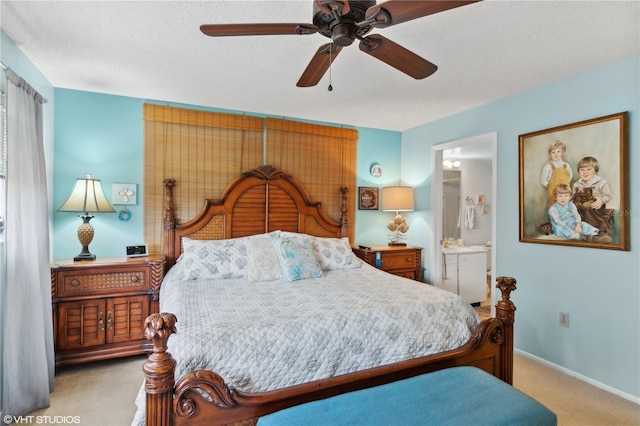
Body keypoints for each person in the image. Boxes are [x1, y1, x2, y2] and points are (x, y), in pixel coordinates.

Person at [572, 156, 613, 240]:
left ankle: (599, 229)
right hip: (581, 205)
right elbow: (573, 197)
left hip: (596, 205)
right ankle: (583, 229)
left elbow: (608, 196)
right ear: (579, 172)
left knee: (587, 205)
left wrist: (601, 200)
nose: (585, 172)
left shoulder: (601, 182)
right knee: (575, 206)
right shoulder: (576, 184)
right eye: (582, 170)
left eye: (588, 169)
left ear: (595, 171)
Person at [540, 140, 573, 207]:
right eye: (553, 152)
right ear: (550, 154)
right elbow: (543, 179)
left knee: (566, 207)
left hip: (565, 190)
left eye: (558, 151)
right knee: (554, 207)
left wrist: (566, 184)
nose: (556, 154)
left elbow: (570, 175)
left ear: (562, 153)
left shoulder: (566, 165)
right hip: (553, 191)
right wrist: (549, 186)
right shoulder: (548, 166)